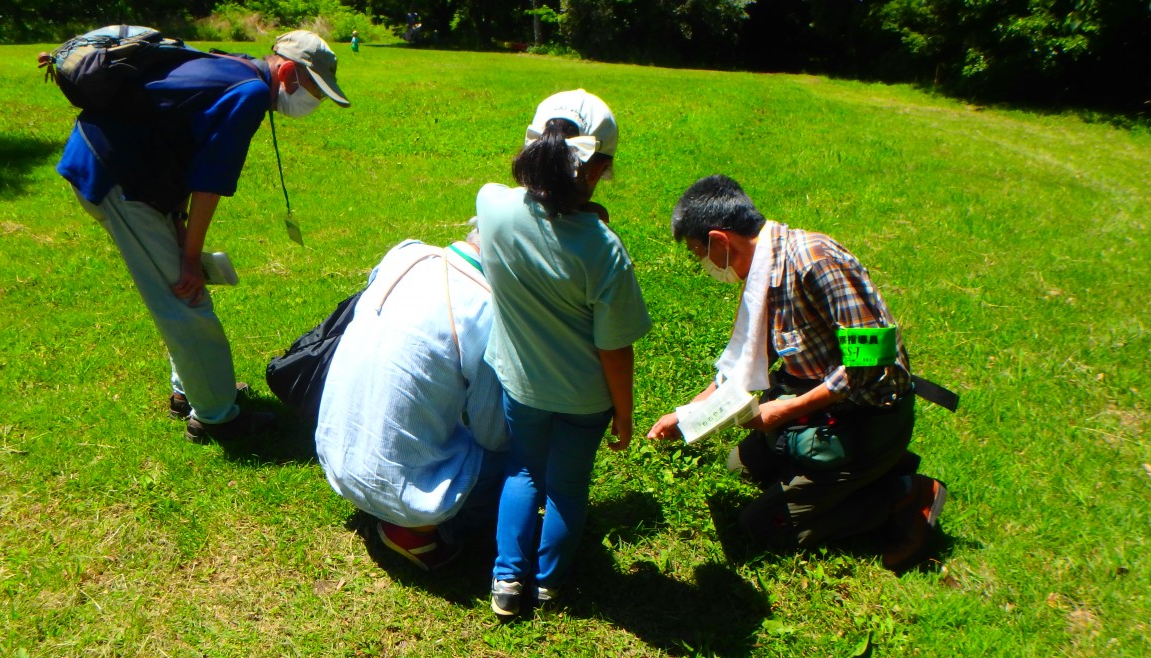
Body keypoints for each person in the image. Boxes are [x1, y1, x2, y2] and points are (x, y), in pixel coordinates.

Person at [56, 30, 351, 443]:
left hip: (127, 170)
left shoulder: (235, 67)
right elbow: (209, 182)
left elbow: (175, 136)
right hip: (116, 177)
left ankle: (191, 390)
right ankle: (215, 417)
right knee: (184, 296)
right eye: (314, 91)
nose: (314, 102)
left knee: (182, 288)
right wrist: (192, 257)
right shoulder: (248, 94)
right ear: (285, 70)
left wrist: (178, 223)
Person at [646, 175, 947, 573]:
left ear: (720, 241)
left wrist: (786, 412)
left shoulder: (814, 259)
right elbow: (743, 363)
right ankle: (858, 473)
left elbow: (871, 360)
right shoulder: (764, 269)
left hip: (868, 415)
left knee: (761, 527)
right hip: (818, 406)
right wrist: (685, 413)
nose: (700, 264)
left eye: (697, 252)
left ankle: (905, 494)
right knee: (740, 467)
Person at [476, 90, 653, 616]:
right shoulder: (604, 249)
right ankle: (550, 586)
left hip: (521, 385)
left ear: (532, 146)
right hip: (583, 399)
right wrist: (624, 413)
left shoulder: (490, 204)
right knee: (567, 487)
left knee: (522, 471)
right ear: (597, 170)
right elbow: (615, 349)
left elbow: (533, 212)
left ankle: (507, 583)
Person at [314, 235, 509, 571]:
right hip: (408, 494)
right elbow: (492, 434)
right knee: (515, 460)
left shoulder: (407, 253)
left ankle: (387, 502)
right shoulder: (488, 307)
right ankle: (419, 530)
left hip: (335, 459)